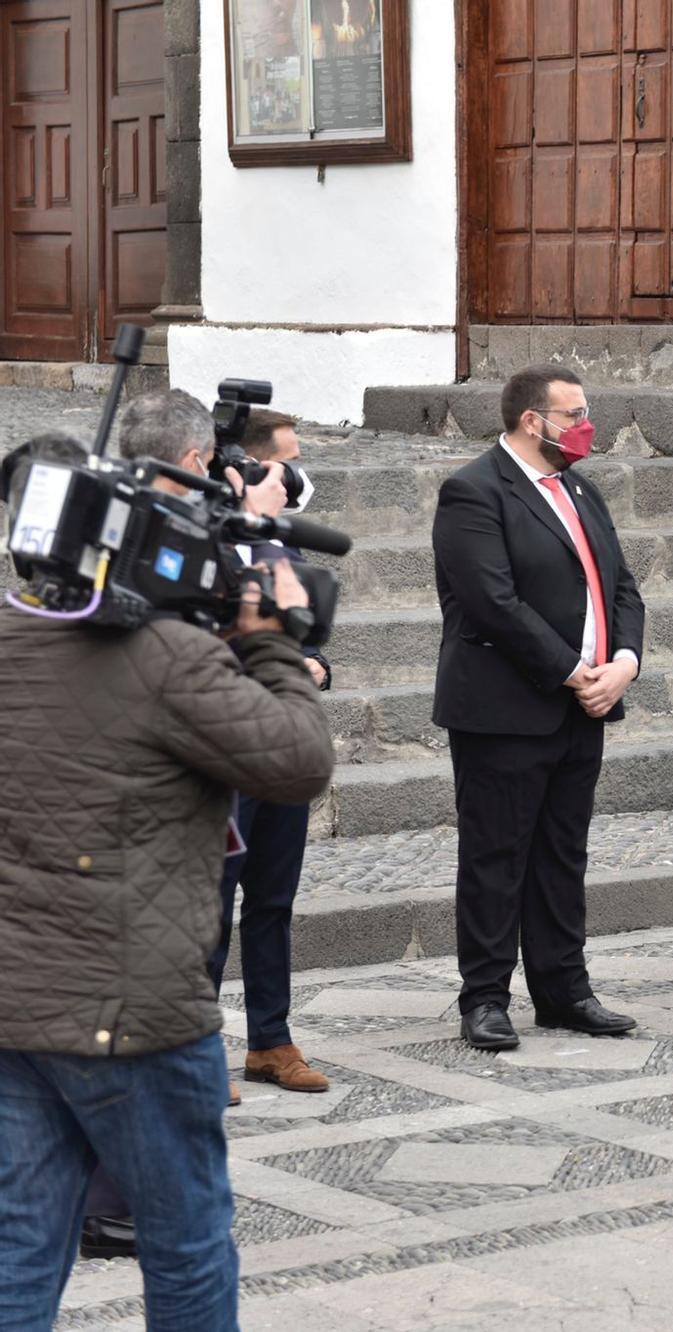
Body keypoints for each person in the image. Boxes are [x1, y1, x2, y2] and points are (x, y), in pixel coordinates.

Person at [0, 399, 335, 1328]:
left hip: (15, 1009)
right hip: (135, 1016)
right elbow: (297, 763)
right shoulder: (166, 659)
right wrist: (272, 644)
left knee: (22, 1248)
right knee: (185, 1247)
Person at [431, 365, 647, 1050]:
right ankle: (486, 997)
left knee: (563, 853)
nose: (588, 426)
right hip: (504, 707)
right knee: (496, 856)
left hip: (585, 705)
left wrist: (625, 664)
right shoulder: (473, 491)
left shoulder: (579, 489)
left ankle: (563, 989)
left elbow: (622, 587)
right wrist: (571, 671)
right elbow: (491, 600)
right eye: (575, 414)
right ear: (534, 420)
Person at [211, 408, 333, 1101]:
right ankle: (198, 1048)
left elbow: (308, 634)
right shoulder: (210, 548)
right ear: (251, 470)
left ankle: (270, 1041)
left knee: (272, 901)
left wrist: (314, 666)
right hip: (227, 752)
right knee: (209, 902)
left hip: (284, 748)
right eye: (287, 463)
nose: (297, 478)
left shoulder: (284, 546)